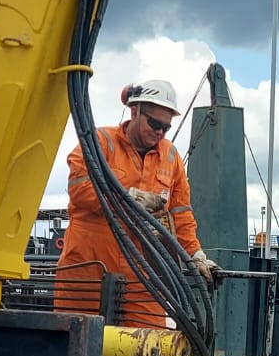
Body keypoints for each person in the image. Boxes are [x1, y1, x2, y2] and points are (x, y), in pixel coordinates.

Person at [56, 80, 218, 326]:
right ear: (134, 112)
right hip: (88, 268)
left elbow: (181, 214)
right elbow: (80, 190)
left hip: (141, 274)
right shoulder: (99, 142)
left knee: (147, 347)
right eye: (154, 123)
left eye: (166, 126)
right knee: (76, 341)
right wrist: (128, 198)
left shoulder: (171, 157)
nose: (160, 132)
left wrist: (195, 255)